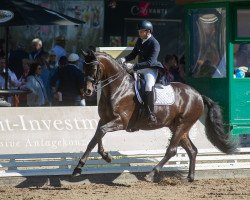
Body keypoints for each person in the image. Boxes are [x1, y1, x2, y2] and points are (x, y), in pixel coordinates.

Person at [117, 20, 163, 124]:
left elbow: (150, 62)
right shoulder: (139, 40)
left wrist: (134, 66)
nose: (139, 33)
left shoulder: (155, 43)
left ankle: (151, 114)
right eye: (139, 31)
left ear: (148, 31)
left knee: (148, 86)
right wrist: (124, 59)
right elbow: (133, 54)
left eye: (141, 31)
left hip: (150, 70)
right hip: (138, 68)